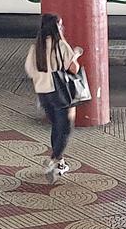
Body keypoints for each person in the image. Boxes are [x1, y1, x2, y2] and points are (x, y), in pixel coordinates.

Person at [22, 13, 83, 179]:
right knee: (65, 129)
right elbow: (73, 68)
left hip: (43, 93)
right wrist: (76, 54)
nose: (62, 27)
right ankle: (54, 159)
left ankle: (59, 162)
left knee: (56, 125)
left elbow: (29, 70)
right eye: (60, 25)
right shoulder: (60, 45)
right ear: (56, 27)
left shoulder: (36, 48)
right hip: (61, 92)